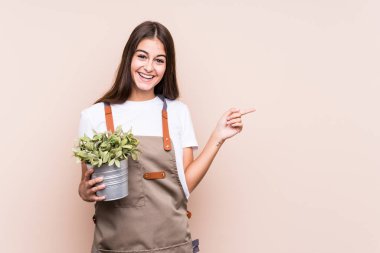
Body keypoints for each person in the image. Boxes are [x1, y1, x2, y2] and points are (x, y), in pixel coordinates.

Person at [77, 20, 255, 253]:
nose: (149, 67)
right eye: (142, 56)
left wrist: (218, 136)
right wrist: (84, 191)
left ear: (167, 67)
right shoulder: (94, 116)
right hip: (114, 247)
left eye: (159, 60)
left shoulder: (177, 112)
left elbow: (185, 183)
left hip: (172, 245)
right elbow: (86, 186)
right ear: (129, 58)